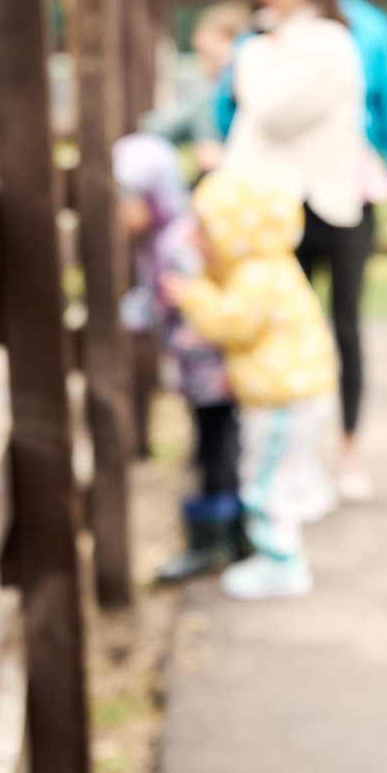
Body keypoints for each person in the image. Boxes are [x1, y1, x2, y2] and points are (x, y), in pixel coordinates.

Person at [217, 0, 387, 499]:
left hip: (343, 192)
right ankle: (288, 449)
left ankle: (348, 447)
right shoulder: (258, 37)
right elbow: (235, 114)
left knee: (344, 326)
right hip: (275, 203)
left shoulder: (358, 30)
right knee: (282, 322)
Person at [170, 170, 338, 601]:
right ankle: (286, 541)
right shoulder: (273, 266)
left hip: (281, 401)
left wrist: (191, 295)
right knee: (284, 475)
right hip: (295, 396)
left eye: (205, 231)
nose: (197, 239)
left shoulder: (255, 276)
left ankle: (282, 563)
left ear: (232, 233)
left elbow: (229, 324)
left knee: (264, 484)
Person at [114, 133, 240, 583]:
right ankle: (223, 537)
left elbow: (194, 304)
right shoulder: (158, 241)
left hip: (212, 373)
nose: (119, 213)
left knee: (217, 450)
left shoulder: (177, 243)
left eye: (125, 201)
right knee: (210, 447)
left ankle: (216, 542)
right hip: (195, 372)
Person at [143, 0, 250, 169]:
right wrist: (195, 151)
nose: (207, 64)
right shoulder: (203, 93)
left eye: (213, 55)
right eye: (203, 55)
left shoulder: (251, 92)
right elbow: (157, 126)